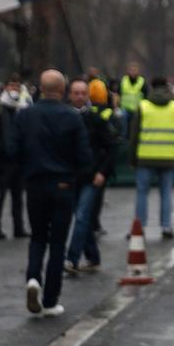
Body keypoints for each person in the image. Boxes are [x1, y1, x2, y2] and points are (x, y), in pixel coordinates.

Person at [11, 69, 91, 317]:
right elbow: (84, 156)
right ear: (63, 89)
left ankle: (33, 277)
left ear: (41, 88)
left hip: (35, 184)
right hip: (63, 185)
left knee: (37, 237)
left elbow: (13, 149)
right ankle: (50, 299)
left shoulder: (25, 116)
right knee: (57, 243)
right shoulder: (72, 117)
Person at [65, 78, 116, 273]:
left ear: (88, 96)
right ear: (70, 95)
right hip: (70, 177)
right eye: (75, 93)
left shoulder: (96, 120)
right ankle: (93, 256)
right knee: (81, 219)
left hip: (91, 177)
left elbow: (111, 147)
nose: (79, 97)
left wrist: (103, 172)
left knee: (82, 217)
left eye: (82, 93)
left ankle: (72, 259)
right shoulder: (65, 118)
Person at [129, 76, 174, 239]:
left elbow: (134, 136)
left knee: (142, 193)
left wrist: (133, 158)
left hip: (145, 157)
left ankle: (140, 227)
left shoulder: (143, 106)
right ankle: (166, 226)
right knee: (166, 193)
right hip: (168, 157)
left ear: (151, 86)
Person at [0, 74, 31, 239]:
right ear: (5, 87)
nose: (14, 90)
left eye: (17, 86)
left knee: (18, 197)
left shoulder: (21, 110)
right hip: (2, 161)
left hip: (17, 161)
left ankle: (19, 228)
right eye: (11, 86)